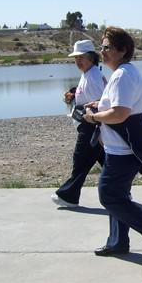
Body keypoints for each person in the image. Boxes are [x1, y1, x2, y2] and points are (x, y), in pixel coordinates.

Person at [83, 27, 142, 258]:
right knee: (119, 196)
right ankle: (118, 241)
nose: (102, 52)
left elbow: (120, 113)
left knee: (109, 195)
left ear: (123, 50)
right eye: (101, 47)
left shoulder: (123, 75)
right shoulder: (122, 74)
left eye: (107, 47)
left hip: (123, 152)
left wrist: (93, 117)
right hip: (120, 148)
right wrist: (98, 105)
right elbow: (116, 107)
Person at [51, 40, 107, 208]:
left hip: (92, 126)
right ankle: (120, 191)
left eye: (81, 57)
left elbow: (101, 102)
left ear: (91, 58)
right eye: (76, 58)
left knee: (80, 161)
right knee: (106, 161)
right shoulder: (89, 74)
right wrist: (73, 95)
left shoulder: (93, 76)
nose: (78, 61)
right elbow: (89, 96)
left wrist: (101, 129)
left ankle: (68, 196)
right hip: (91, 126)